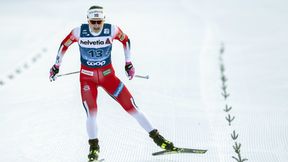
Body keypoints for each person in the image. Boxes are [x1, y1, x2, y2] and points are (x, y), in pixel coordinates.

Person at [49, 5, 175, 162]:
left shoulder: (112, 30)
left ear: (104, 20)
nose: (96, 26)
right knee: (92, 113)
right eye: (93, 22)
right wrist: (56, 66)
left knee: (132, 107)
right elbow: (64, 45)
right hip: (87, 79)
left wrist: (128, 63)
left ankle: (159, 139)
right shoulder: (78, 32)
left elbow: (126, 41)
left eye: (99, 22)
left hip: (109, 77)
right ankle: (94, 149)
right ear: (88, 20)